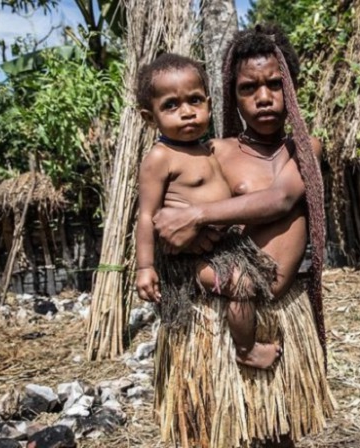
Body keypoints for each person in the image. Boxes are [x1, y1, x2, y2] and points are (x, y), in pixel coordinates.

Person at [151, 24, 333, 447]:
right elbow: (165, 217)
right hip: (222, 318)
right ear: (232, 94)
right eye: (249, 87)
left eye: (274, 84)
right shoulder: (214, 152)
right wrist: (186, 236)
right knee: (223, 432)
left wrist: (199, 215)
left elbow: (283, 199)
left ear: (291, 86)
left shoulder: (306, 149)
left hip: (282, 315)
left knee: (277, 432)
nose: (264, 97)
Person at [134, 52, 284, 370]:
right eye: (171, 106)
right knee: (241, 285)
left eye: (195, 101)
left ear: (210, 105)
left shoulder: (208, 148)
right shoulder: (161, 157)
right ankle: (245, 350)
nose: (187, 113)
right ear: (150, 118)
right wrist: (144, 267)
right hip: (188, 259)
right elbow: (147, 215)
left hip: (221, 246)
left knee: (258, 276)